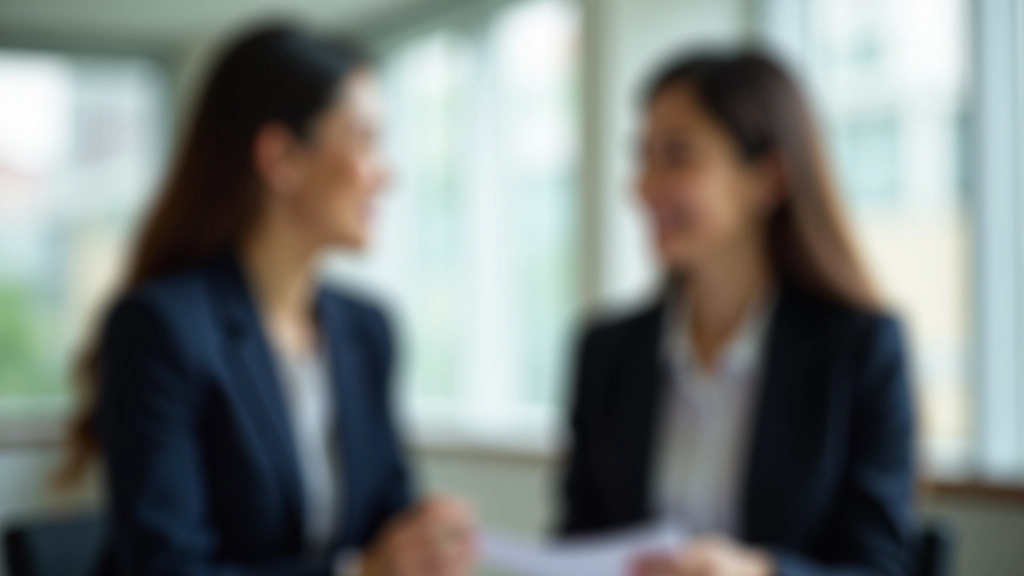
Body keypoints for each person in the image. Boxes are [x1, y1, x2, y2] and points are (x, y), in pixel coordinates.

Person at [55, 24, 476, 576]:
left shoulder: (367, 328)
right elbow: (169, 568)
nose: (386, 175)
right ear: (282, 159)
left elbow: (382, 517)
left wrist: (423, 539)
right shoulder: (160, 328)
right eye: (366, 141)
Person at [558, 51, 917, 576]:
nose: (642, 186)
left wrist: (759, 573)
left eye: (677, 156)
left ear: (767, 178)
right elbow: (578, 544)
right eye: (643, 157)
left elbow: (880, 567)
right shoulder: (606, 351)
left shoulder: (859, 348)